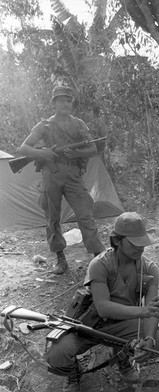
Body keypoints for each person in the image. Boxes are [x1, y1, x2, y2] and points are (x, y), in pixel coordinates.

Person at [45, 212, 159, 392]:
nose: (140, 248)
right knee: (57, 354)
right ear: (117, 241)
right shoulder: (100, 264)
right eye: (134, 243)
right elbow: (103, 307)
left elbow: (152, 311)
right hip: (91, 324)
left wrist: (150, 338)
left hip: (124, 325)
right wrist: (142, 311)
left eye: (142, 243)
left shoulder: (149, 269)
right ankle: (73, 372)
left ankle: (122, 357)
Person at [19, 85, 105, 274]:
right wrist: (45, 154)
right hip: (52, 174)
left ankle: (98, 257)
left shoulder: (79, 124)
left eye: (68, 100)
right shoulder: (45, 126)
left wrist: (77, 154)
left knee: (85, 214)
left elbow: (93, 149)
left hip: (74, 174)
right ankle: (60, 258)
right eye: (61, 100)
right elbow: (23, 148)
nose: (65, 104)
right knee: (52, 218)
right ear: (54, 103)